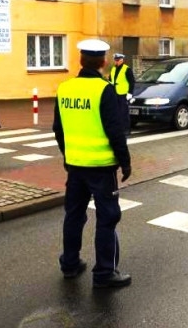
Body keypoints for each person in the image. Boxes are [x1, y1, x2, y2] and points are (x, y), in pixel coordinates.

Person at [54, 39, 132, 289]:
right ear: (103, 61)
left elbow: (59, 129)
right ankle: (104, 273)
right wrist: (125, 161)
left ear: (80, 60)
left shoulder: (64, 88)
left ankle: (70, 264)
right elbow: (115, 130)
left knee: (74, 215)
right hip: (101, 166)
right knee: (108, 218)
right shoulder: (104, 89)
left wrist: (68, 155)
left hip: (75, 165)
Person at [108, 52, 136, 135]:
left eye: (118, 60)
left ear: (122, 60)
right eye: (115, 60)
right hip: (114, 93)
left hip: (123, 94)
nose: (116, 62)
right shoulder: (113, 69)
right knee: (115, 112)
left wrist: (130, 93)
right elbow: (110, 80)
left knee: (124, 112)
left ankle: (126, 129)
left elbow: (132, 82)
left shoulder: (127, 69)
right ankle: (118, 128)